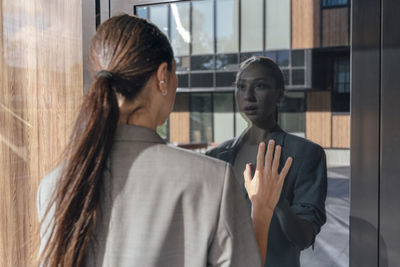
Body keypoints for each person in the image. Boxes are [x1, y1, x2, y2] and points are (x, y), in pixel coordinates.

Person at [36, 15, 292, 267]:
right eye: (175, 73)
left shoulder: (55, 186)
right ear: (162, 77)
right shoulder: (212, 181)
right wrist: (261, 210)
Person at [206, 56, 327, 267]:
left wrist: (277, 202)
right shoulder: (216, 157)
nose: (248, 96)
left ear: (280, 93)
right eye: (241, 87)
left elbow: (304, 238)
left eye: (260, 86)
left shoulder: (305, 154)